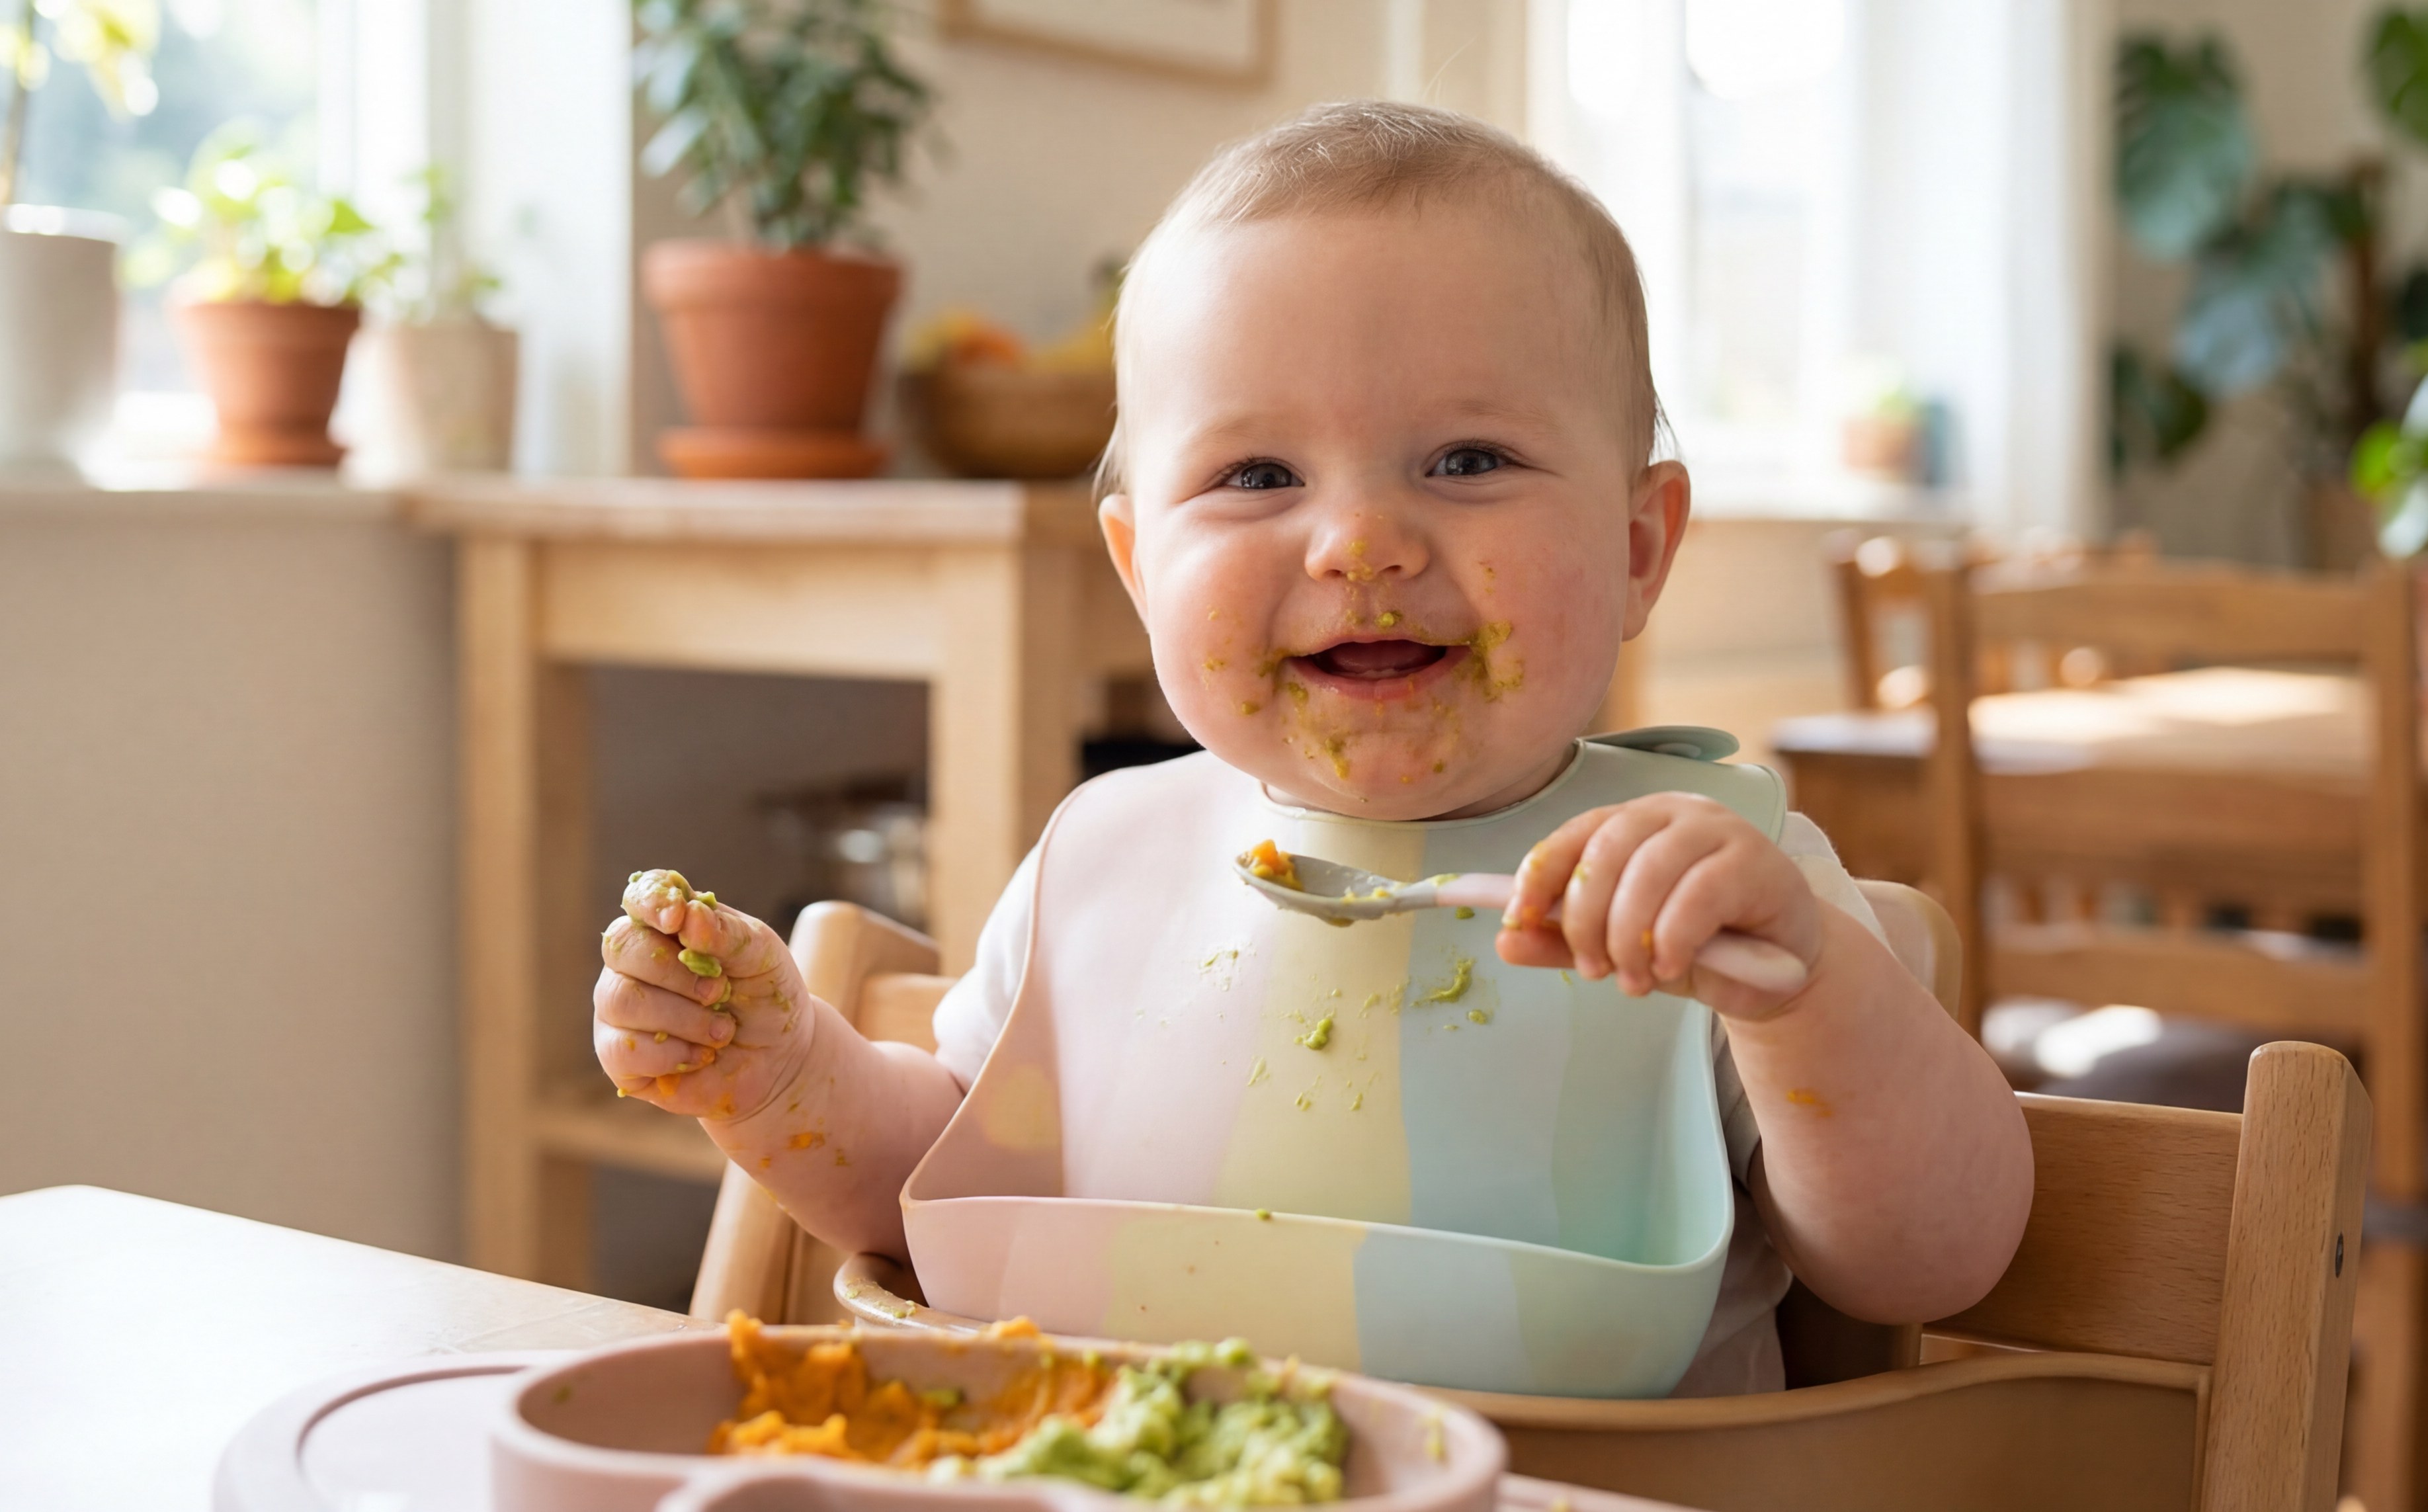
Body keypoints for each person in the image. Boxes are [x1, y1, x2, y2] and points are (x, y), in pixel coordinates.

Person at [595, 100, 2030, 1396]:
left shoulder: (1717, 885)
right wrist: (782, 1084)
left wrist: (1810, 1004)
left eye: (1465, 461)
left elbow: (1931, 1263)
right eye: (1256, 475)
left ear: (1639, 541)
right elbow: (938, 1178)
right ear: (1139, 564)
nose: (1360, 542)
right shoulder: (1105, 865)